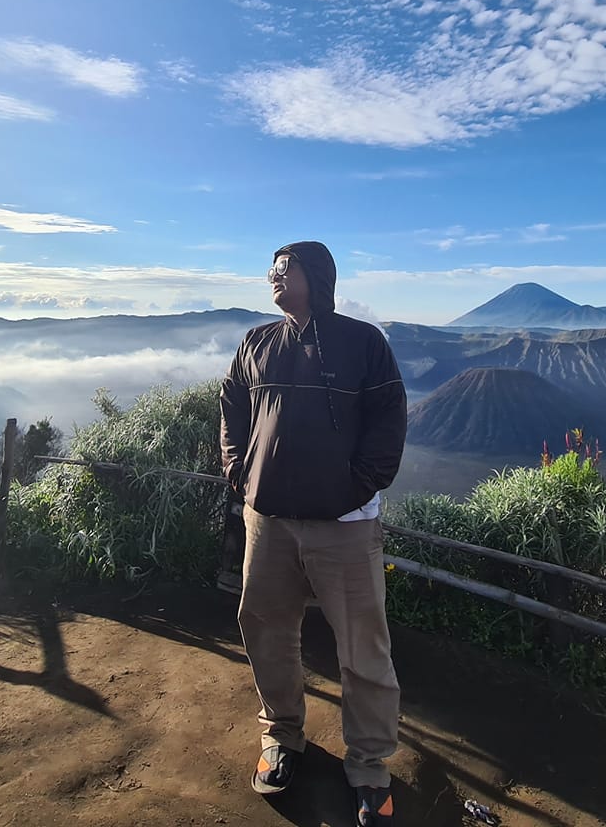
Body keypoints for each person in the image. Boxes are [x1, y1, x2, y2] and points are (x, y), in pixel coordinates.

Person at [220, 241, 407, 827]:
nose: (274, 275)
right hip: (268, 521)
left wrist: (358, 485)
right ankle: (282, 736)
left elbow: (388, 418)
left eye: (286, 266)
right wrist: (238, 471)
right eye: (270, 267)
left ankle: (371, 769)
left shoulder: (362, 342)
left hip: (346, 529)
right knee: (265, 630)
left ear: (318, 276)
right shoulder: (257, 343)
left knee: (362, 650)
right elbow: (230, 405)